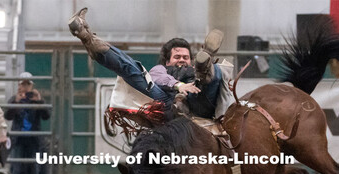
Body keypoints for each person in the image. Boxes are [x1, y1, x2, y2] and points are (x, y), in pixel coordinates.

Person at [68, 7, 233, 120]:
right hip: (167, 101)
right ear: (168, 60)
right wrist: (178, 86)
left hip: (199, 100)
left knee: (217, 72)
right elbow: (157, 78)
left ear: (191, 60)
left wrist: (190, 85)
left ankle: (205, 65)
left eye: (185, 57)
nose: (182, 59)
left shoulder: (190, 70)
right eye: (177, 56)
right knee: (133, 69)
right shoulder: (162, 69)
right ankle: (87, 37)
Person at [5, 72, 50, 174]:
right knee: (17, 172)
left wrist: (39, 101)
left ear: (31, 86)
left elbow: (46, 116)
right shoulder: (14, 99)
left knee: (35, 173)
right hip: (18, 140)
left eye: (27, 84)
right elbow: (8, 116)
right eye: (22, 84)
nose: (25, 87)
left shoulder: (36, 100)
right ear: (19, 85)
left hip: (33, 141)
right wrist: (16, 103)